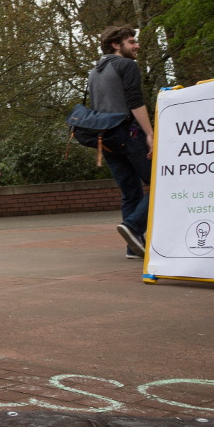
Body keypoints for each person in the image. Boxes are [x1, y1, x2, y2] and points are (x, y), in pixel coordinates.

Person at [89, 25, 154, 259]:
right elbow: (135, 101)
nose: (137, 45)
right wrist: (150, 134)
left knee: (130, 193)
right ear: (116, 45)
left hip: (106, 140)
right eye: (131, 41)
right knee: (161, 183)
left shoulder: (94, 72)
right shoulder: (127, 65)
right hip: (130, 135)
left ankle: (133, 248)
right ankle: (134, 227)